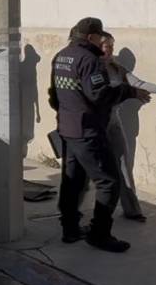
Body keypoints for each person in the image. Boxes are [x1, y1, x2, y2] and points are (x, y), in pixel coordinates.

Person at [49, 17, 147, 252]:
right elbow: (100, 95)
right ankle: (99, 233)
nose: (103, 39)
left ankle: (70, 229)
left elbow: (54, 96)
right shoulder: (90, 60)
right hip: (88, 131)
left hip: (68, 129)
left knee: (72, 181)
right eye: (100, 35)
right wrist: (127, 91)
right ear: (91, 37)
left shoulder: (61, 55)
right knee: (108, 182)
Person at [99, 31, 156, 222]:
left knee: (124, 166)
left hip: (113, 122)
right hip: (95, 124)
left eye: (112, 46)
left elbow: (138, 83)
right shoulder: (90, 67)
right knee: (96, 171)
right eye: (106, 46)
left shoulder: (118, 68)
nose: (110, 50)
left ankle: (132, 209)